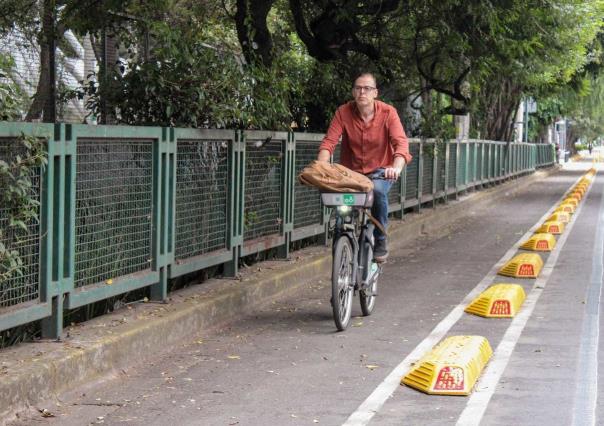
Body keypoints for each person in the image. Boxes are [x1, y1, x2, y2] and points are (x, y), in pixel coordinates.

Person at [317, 72, 412, 263]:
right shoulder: (343, 112)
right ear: (353, 92)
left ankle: (381, 239)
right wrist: (321, 166)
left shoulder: (388, 113)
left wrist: (396, 167)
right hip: (350, 174)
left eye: (367, 88)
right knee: (340, 211)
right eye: (358, 88)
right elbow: (329, 143)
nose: (362, 92)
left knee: (377, 191)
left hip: (380, 172)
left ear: (375, 92)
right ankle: (341, 247)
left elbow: (401, 144)